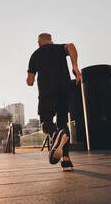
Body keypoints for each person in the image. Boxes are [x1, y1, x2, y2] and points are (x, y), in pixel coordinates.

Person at [27, 33, 81, 171]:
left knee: (46, 124)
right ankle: (66, 160)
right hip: (64, 90)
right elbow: (71, 46)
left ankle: (55, 134)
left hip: (46, 92)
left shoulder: (35, 55)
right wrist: (75, 66)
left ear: (38, 43)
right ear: (51, 42)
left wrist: (29, 80)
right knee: (63, 123)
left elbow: (30, 81)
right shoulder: (58, 48)